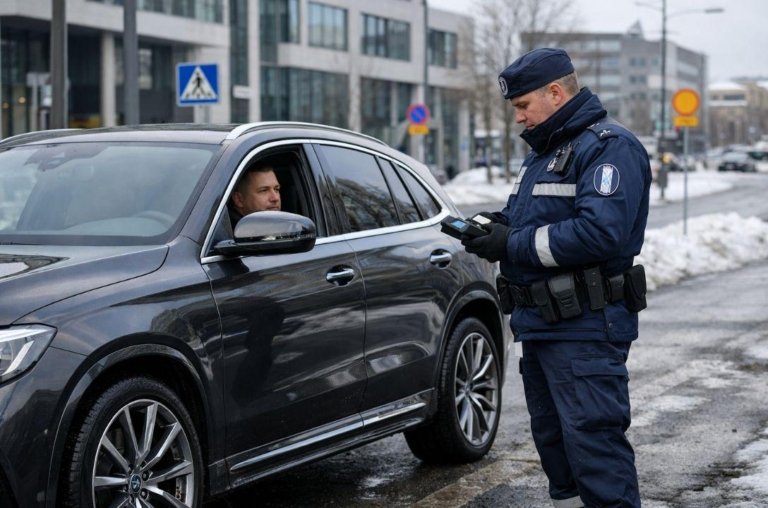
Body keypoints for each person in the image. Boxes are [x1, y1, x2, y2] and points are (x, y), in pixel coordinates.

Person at [461, 48, 651, 507]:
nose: (519, 118)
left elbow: (598, 234)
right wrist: (497, 223)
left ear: (556, 92)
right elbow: (532, 220)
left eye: (523, 106)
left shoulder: (609, 147)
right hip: (543, 326)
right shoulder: (544, 154)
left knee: (594, 447)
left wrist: (510, 243)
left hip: (585, 326)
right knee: (557, 449)